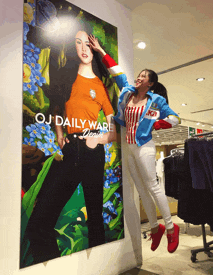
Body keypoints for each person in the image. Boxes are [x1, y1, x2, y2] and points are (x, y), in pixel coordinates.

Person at [24, 29, 117, 265]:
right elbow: (57, 111)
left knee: (95, 218)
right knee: (39, 221)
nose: (84, 48)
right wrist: (59, 134)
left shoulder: (100, 86)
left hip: (92, 150)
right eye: (79, 43)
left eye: (88, 44)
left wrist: (98, 139)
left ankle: (99, 267)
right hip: (69, 150)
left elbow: (113, 132)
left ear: (94, 49)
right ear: (73, 47)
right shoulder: (66, 78)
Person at [89, 34, 181, 253]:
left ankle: (170, 228)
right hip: (129, 147)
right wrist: (101, 50)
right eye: (138, 75)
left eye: (143, 77)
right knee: (140, 189)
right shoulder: (128, 92)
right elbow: (116, 71)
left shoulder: (156, 100)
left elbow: (175, 119)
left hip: (145, 147)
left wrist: (158, 124)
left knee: (152, 186)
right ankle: (154, 227)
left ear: (150, 83)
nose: (138, 78)